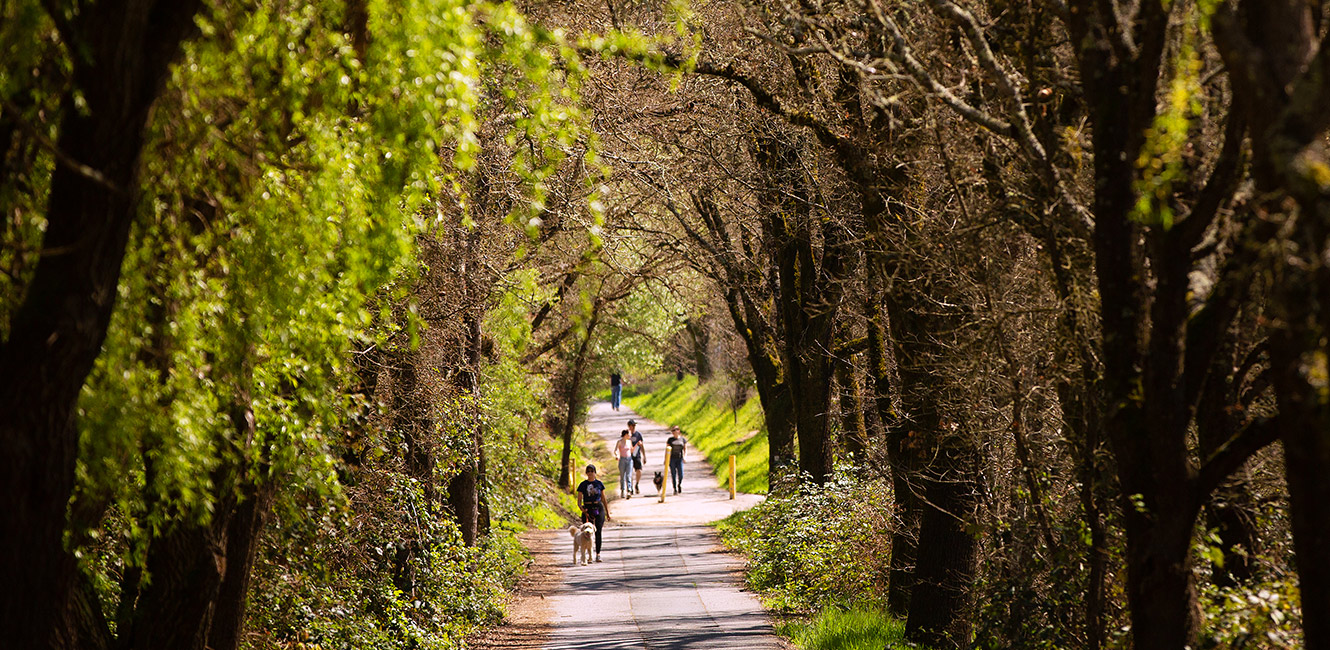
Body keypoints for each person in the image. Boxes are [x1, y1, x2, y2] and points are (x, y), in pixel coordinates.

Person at [576, 464, 610, 562]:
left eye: (592, 471)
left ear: (595, 473)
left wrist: (607, 513)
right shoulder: (582, 485)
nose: (590, 473)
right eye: (588, 471)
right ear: (586, 473)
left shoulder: (599, 484)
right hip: (587, 508)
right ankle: (587, 554)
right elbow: (579, 501)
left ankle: (598, 554)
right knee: (586, 533)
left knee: (598, 531)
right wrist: (583, 510)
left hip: (598, 507)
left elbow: (603, 499)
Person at [614, 429, 635, 499]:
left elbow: (632, 450)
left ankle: (629, 489)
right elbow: (616, 450)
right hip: (622, 459)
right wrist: (617, 455)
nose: (630, 435)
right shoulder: (619, 442)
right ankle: (623, 490)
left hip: (629, 459)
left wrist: (637, 446)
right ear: (625, 435)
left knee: (629, 475)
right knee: (622, 476)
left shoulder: (629, 442)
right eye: (628, 434)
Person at [666, 426, 686, 494]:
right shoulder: (670, 440)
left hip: (679, 458)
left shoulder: (682, 439)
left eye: (676, 430)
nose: (675, 431)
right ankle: (674, 488)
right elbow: (667, 450)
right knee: (673, 474)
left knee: (681, 474)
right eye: (673, 430)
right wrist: (666, 459)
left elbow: (685, 449)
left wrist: (685, 457)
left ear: (679, 431)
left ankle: (679, 484)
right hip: (672, 459)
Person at [628, 419, 645, 494]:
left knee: (639, 470)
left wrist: (644, 456)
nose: (633, 427)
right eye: (632, 425)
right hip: (628, 455)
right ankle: (630, 487)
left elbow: (642, 446)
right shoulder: (627, 435)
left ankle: (637, 484)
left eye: (634, 425)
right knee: (630, 472)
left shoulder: (638, 435)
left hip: (637, 455)